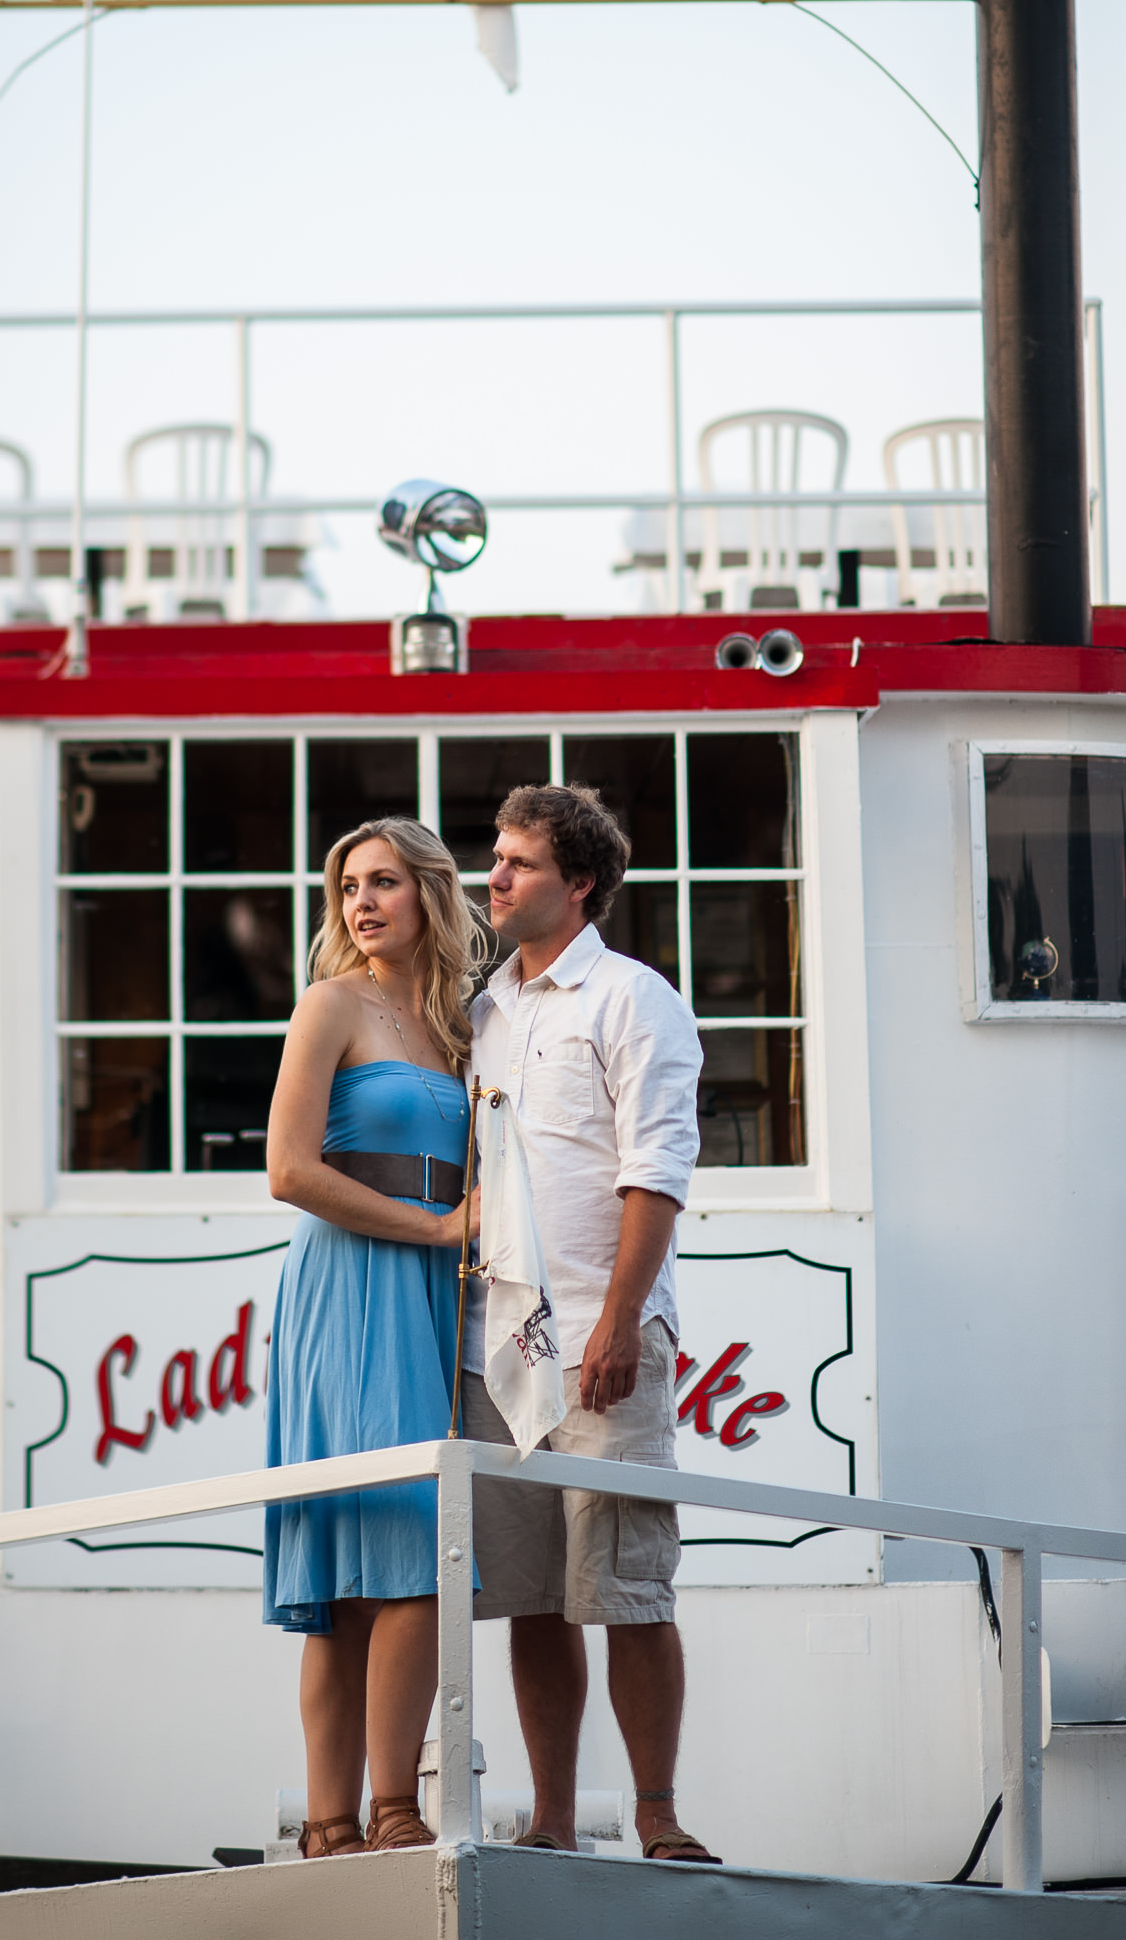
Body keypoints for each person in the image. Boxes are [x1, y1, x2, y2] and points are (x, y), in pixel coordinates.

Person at [460, 782, 718, 1865]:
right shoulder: (478, 1006)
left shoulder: (633, 997)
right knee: (530, 1597)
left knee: (627, 1586)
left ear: (579, 883)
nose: (495, 875)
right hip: (496, 1341)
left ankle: (657, 1814)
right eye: (496, 855)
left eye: (517, 861)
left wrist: (617, 1321)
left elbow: (653, 1171)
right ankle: (552, 1819)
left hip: (603, 1339)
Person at [264, 817, 489, 1859]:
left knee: (413, 1554)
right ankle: (343, 1818)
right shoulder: (331, 1003)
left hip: (438, 1294)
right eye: (349, 884)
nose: (362, 901)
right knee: (361, 1550)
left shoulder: (462, 1023)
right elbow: (289, 1170)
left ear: (431, 892)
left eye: (385, 881)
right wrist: (439, 1227)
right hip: (350, 1281)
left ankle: (387, 1807)